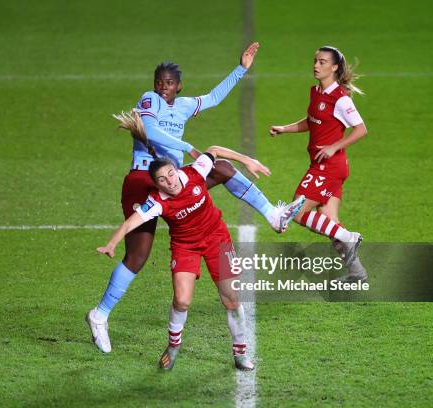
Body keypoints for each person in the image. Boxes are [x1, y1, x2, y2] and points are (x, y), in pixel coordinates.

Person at [86, 43, 305, 353]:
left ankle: (272, 214)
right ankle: (100, 315)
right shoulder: (149, 101)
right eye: (160, 81)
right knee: (138, 256)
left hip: (175, 181)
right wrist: (189, 146)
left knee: (224, 168)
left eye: (170, 82)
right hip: (143, 179)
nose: (164, 87)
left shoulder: (186, 105)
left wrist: (241, 68)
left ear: (179, 86)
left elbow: (214, 98)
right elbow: (149, 131)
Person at [97, 146, 298, 370]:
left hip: (217, 238)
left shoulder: (195, 172)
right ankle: (173, 346)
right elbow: (130, 223)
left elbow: (213, 150)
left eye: (170, 174)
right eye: (162, 180)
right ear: (157, 184)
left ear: (176, 170)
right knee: (182, 300)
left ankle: (240, 352)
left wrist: (246, 160)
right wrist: (112, 244)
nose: (170, 182)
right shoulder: (156, 202)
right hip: (185, 247)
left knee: (232, 299)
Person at [269, 46, 368, 282]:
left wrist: (335, 146)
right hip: (325, 166)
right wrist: (286, 128)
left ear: (334, 68)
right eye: (315, 61)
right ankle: (357, 273)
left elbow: (361, 129)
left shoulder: (340, 99)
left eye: (322, 62)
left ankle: (350, 237)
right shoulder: (316, 91)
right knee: (329, 223)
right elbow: (312, 121)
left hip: (329, 166)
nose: (316, 65)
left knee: (297, 211)